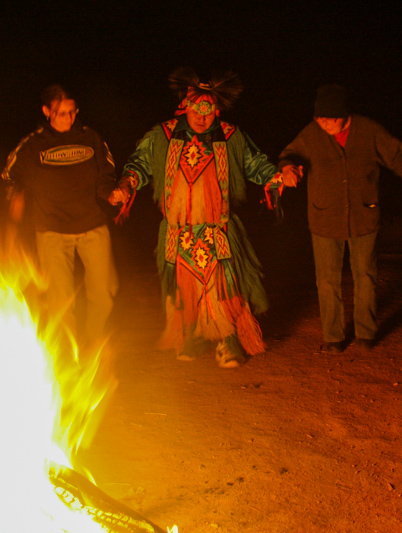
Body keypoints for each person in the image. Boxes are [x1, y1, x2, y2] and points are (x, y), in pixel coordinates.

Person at [114, 68, 288, 368]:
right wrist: (126, 184)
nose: (202, 117)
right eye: (197, 109)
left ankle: (228, 340)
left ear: (216, 111)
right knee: (184, 289)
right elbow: (140, 163)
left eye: (208, 111)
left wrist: (275, 176)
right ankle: (192, 336)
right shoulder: (163, 135)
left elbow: (254, 163)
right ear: (186, 106)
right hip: (177, 230)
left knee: (224, 287)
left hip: (217, 228)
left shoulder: (231, 137)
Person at [278, 84, 402, 353]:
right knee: (327, 280)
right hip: (324, 217)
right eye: (320, 119)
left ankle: (366, 332)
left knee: (365, 276)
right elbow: (289, 154)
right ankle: (333, 337)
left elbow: (394, 153)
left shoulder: (367, 129)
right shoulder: (312, 134)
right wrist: (288, 168)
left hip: (363, 214)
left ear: (345, 114)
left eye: (331, 118)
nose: (326, 124)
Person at [2, 84, 124, 347]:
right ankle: (67, 354)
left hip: (92, 226)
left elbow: (106, 173)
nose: (67, 118)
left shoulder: (90, 138)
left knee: (104, 292)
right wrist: (16, 195)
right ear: (47, 111)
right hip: (51, 230)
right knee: (60, 299)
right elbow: (10, 174)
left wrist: (112, 195)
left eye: (71, 112)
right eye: (60, 113)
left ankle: (91, 343)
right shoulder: (33, 144)